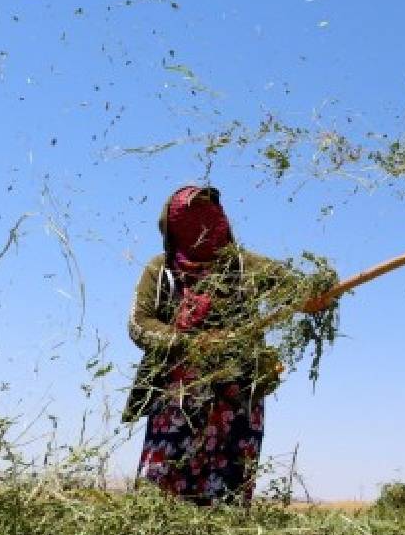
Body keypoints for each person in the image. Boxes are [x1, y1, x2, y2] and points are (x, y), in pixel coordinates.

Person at [124, 185, 330, 505]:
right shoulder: (161, 272)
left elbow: (295, 288)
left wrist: (314, 295)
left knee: (228, 494)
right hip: (177, 401)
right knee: (162, 491)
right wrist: (192, 342)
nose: (204, 230)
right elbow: (140, 325)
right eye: (192, 222)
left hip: (238, 400)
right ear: (175, 229)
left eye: (210, 219)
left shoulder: (245, 267)